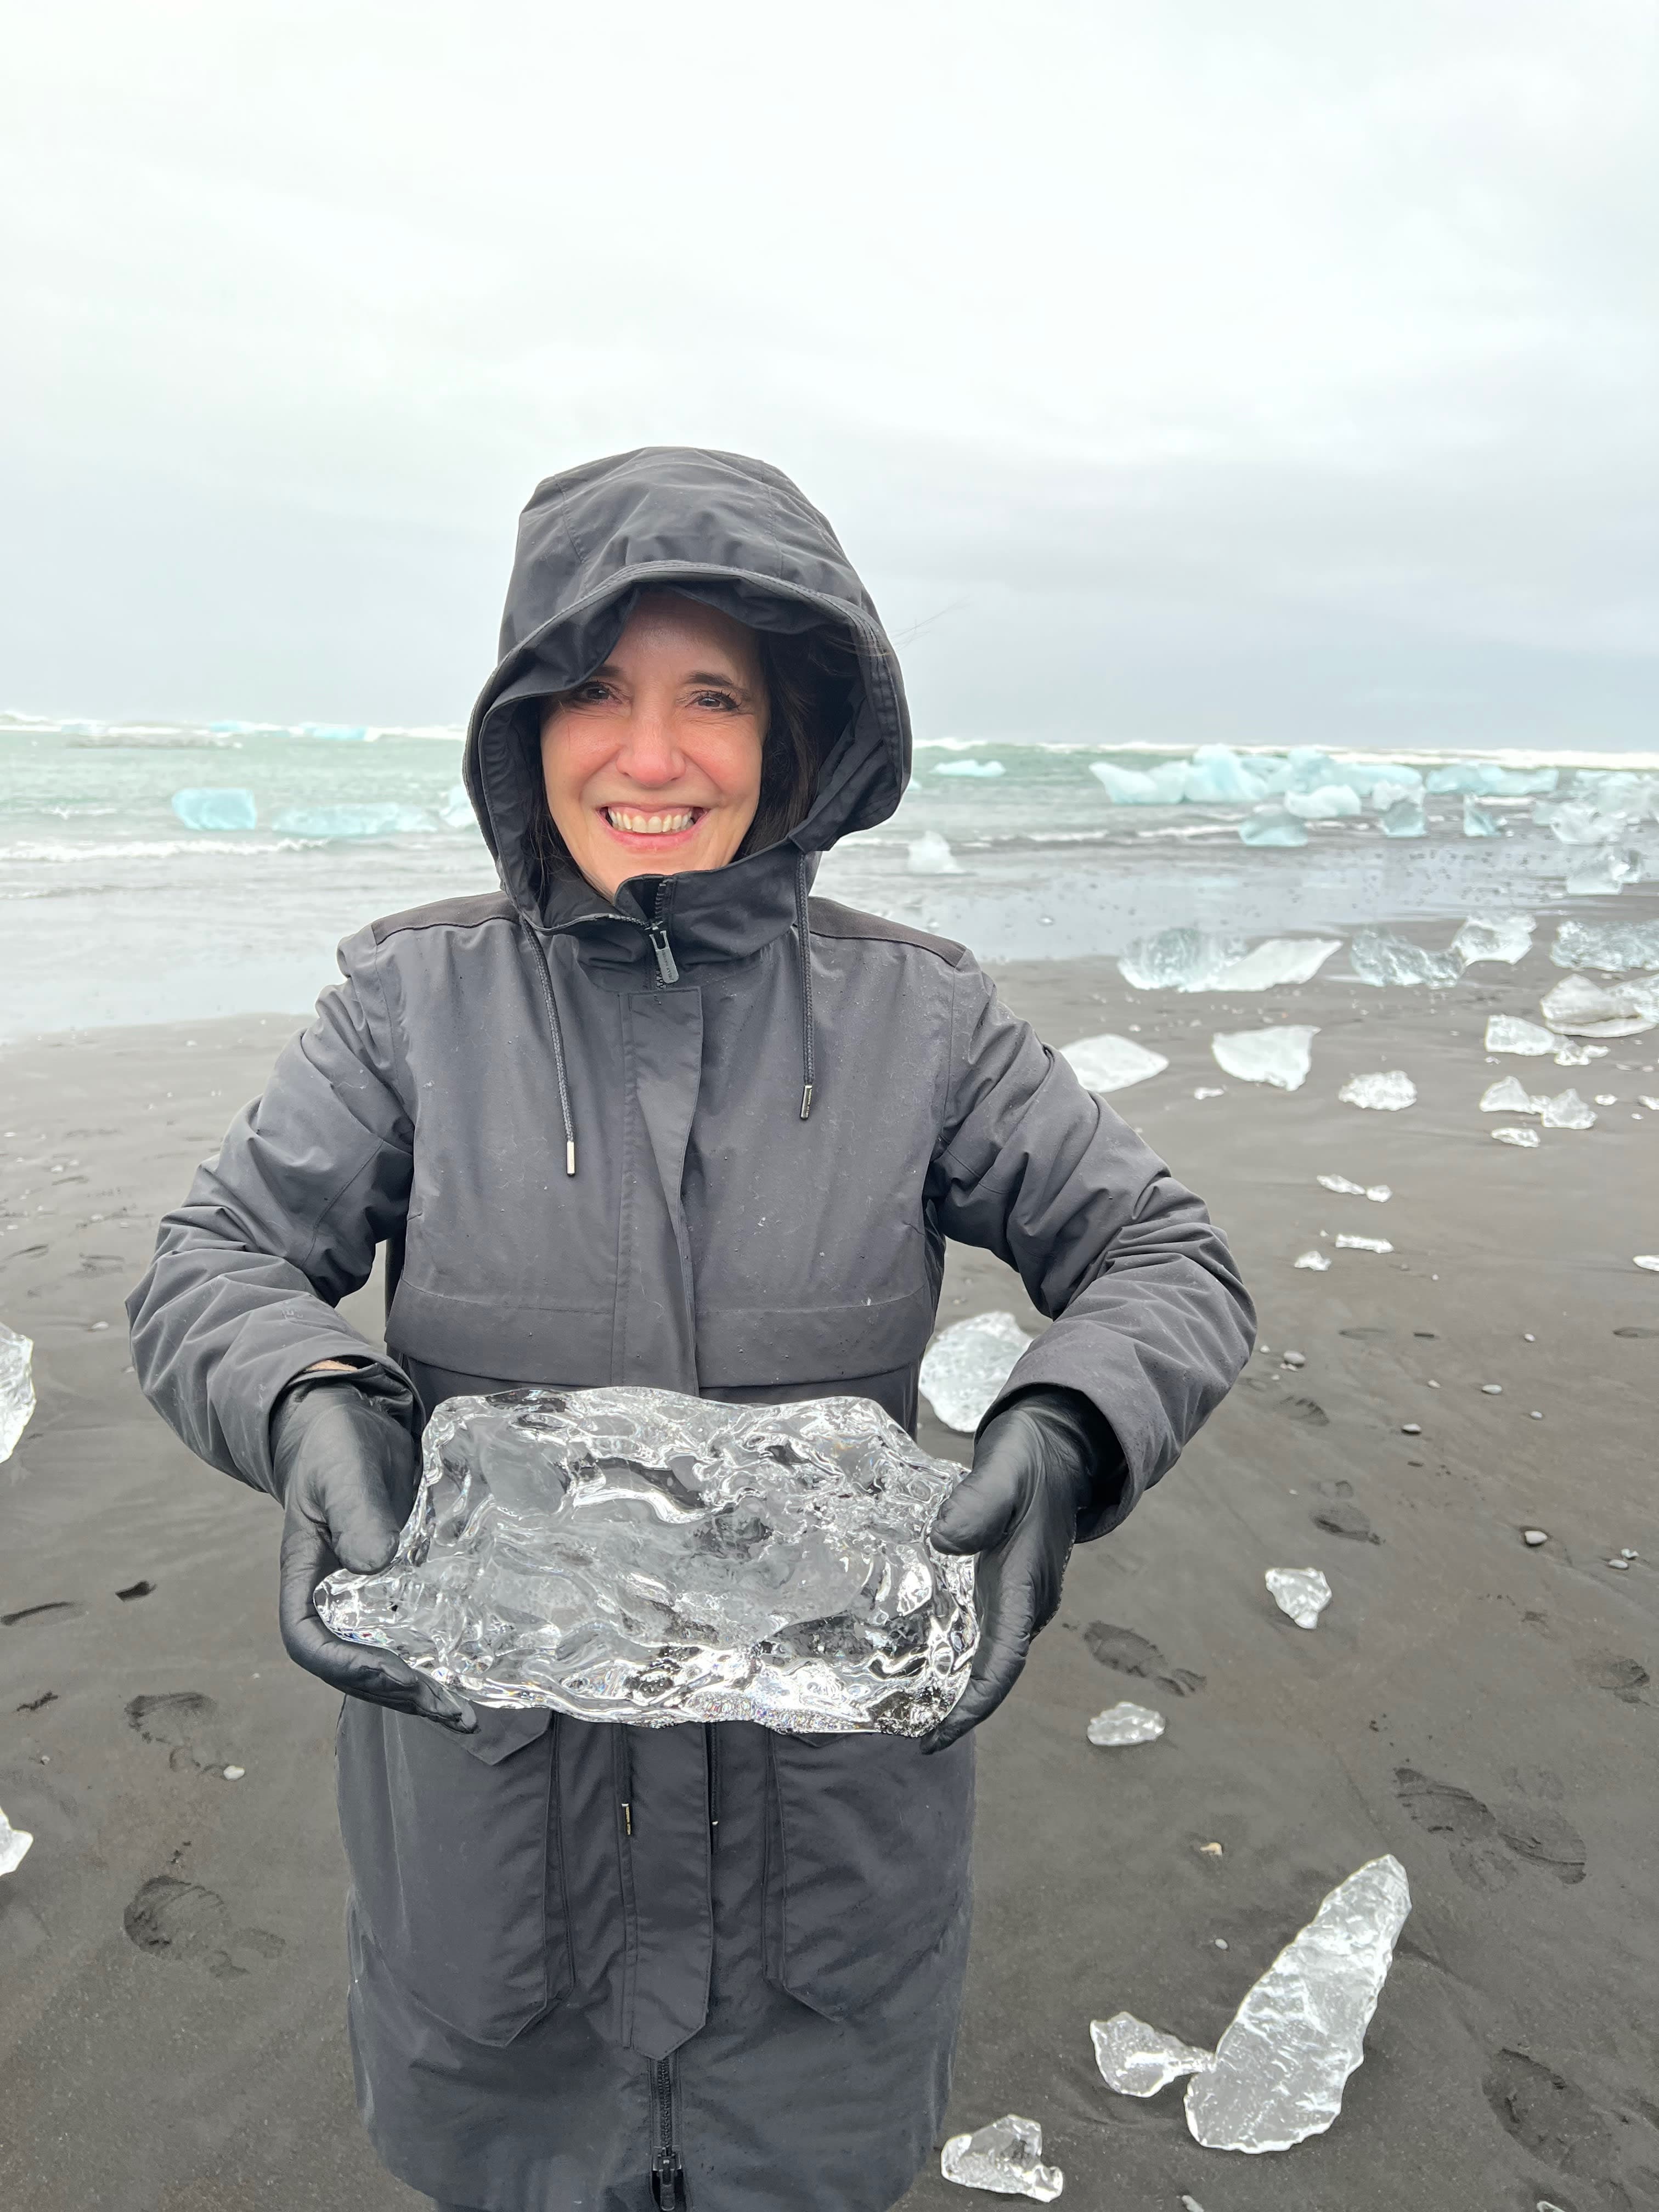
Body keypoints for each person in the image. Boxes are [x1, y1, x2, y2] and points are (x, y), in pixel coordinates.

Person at [128, 447, 1254, 2212]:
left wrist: (1068, 1431)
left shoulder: (923, 1023)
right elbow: (213, 1260)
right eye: (592, 690)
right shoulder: (406, 1007)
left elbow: (1162, 1253)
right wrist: (308, 1399)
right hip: (493, 1871)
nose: (647, 756)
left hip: (827, 1892)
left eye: (708, 697)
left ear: (790, 726)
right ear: (523, 722)